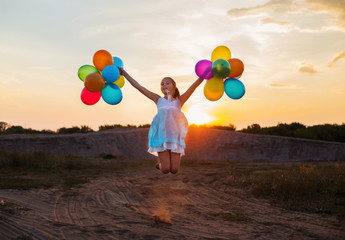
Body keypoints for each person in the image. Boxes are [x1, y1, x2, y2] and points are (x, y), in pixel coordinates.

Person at [119, 68, 204, 174]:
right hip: (161, 137)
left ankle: (163, 161)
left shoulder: (179, 101)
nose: (164, 85)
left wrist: (204, 74)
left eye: (167, 83)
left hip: (175, 138)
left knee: (174, 170)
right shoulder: (157, 99)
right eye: (162, 84)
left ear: (174, 86)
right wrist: (125, 74)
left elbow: (194, 86)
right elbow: (139, 87)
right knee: (165, 170)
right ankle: (160, 164)